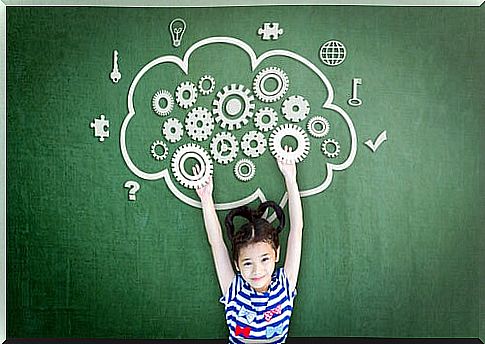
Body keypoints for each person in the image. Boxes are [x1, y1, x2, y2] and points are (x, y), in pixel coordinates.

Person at [194, 146, 304, 343]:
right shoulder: (234, 289)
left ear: (276, 255)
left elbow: (297, 231)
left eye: (264, 259)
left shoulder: (284, 286)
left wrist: (290, 179)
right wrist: (205, 198)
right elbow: (217, 242)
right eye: (247, 263)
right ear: (237, 264)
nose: (257, 270)